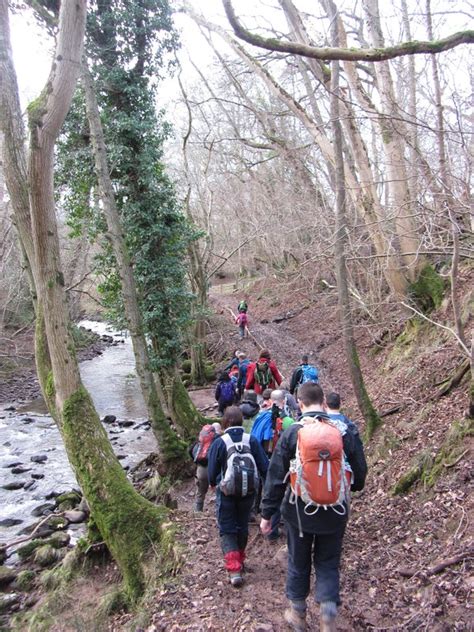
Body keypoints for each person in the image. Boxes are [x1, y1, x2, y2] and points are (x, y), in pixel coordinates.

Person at [260, 383, 367, 632]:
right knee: (328, 561)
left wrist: (267, 513)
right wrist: (349, 487)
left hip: (299, 512)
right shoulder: (344, 429)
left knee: (299, 561)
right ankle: (328, 608)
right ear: (325, 404)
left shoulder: (293, 432)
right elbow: (360, 472)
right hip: (336, 511)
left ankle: (297, 613)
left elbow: (275, 476)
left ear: (300, 402)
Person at [207, 406, 268, 587]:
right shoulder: (252, 440)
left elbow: (212, 470)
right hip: (248, 492)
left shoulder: (220, 442)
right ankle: (240, 560)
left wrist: (213, 484)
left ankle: (234, 570)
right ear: (241, 420)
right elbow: (264, 466)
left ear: (225, 422)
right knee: (242, 525)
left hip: (226, 492)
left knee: (227, 527)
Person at [189, 422, 222, 512]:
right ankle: (218, 512)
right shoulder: (220, 441)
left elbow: (191, 451)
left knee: (200, 491)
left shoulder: (201, 441)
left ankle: (198, 511)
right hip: (215, 470)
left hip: (201, 470)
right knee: (219, 491)